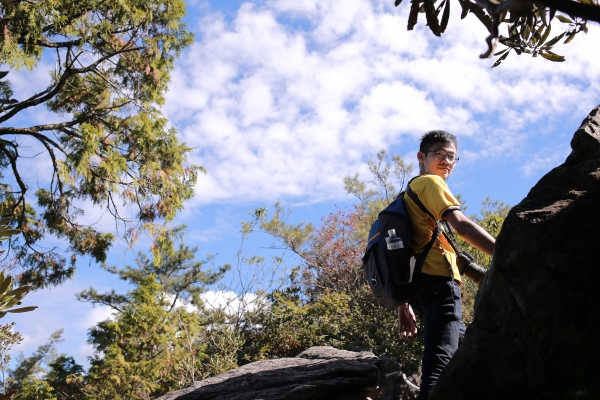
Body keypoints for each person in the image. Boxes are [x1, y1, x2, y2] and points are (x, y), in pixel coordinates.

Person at [398, 130, 495, 400]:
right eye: (439, 154)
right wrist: (506, 251)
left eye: (451, 157)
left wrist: (403, 304)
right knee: (439, 366)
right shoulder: (431, 183)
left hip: (421, 289)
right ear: (421, 156)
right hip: (440, 285)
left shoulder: (410, 192)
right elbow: (462, 226)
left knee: (468, 361)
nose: (446, 161)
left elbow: (401, 253)